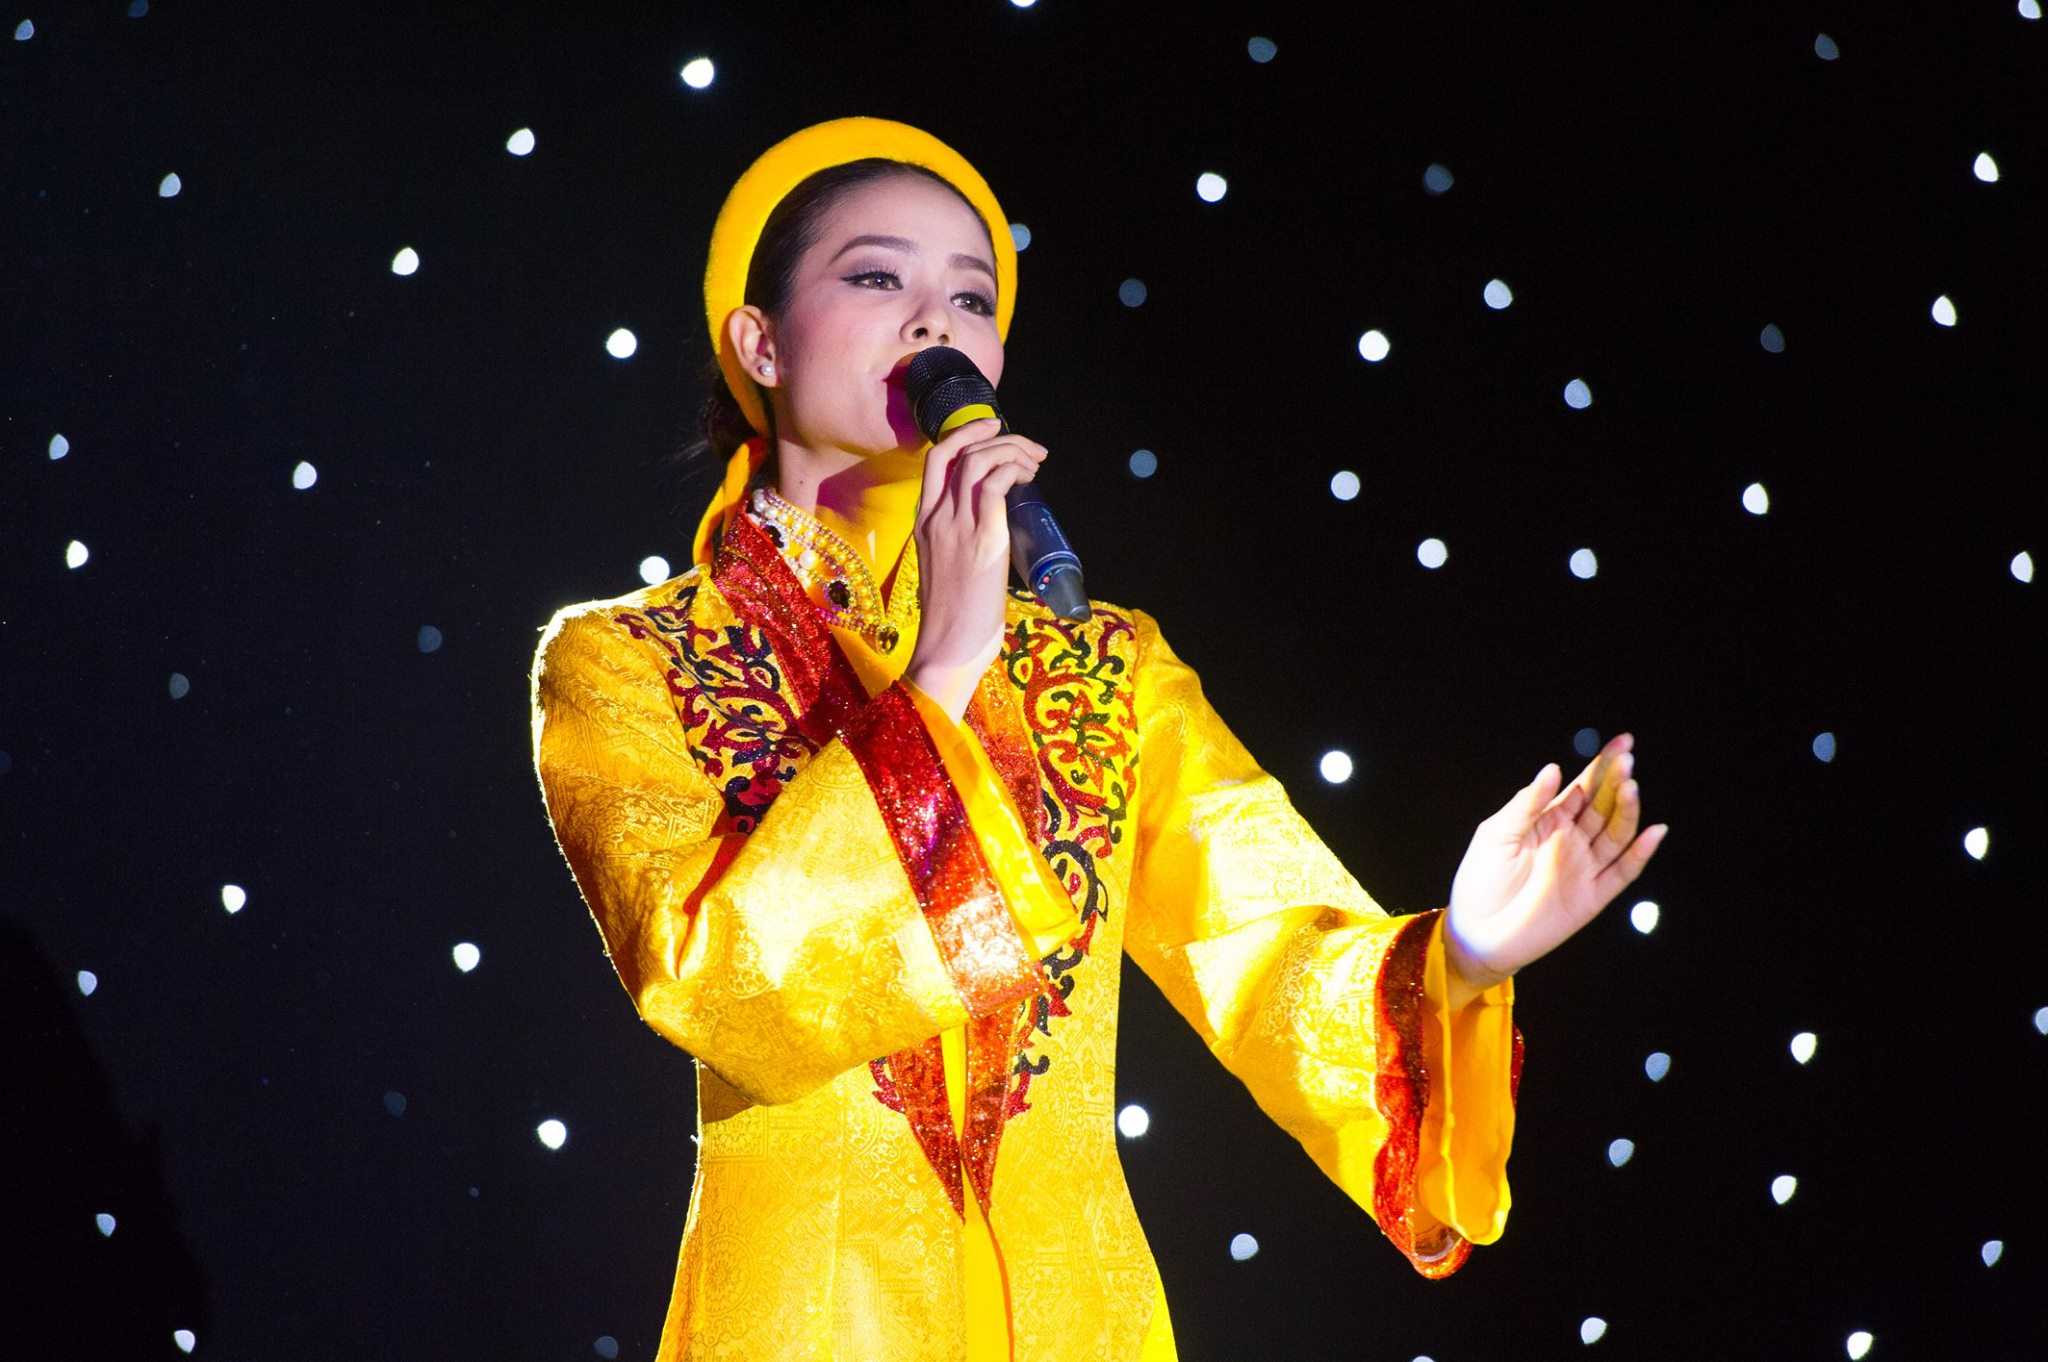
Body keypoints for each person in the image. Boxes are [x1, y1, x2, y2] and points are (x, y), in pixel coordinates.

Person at [528, 115, 1668, 1362]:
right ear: (759, 340)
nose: (934, 322)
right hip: (801, 1318)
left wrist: (1462, 953)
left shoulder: (1102, 664)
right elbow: (720, 989)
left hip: (1081, 1316)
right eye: (876, 278)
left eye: (971, 297)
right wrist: (944, 672)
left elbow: (1260, 947)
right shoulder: (625, 660)